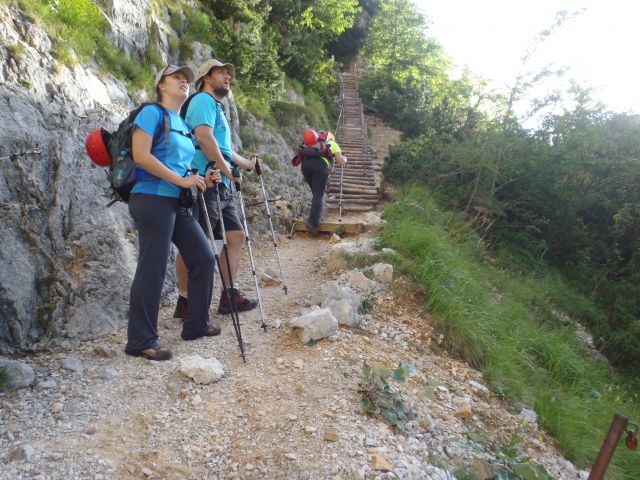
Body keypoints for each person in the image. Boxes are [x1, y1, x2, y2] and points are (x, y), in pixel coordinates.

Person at [124, 65, 222, 361]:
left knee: (204, 257)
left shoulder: (180, 123)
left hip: (177, 202)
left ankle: (196, 324)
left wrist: (203, 179)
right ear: (161, 86)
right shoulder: (151, 114)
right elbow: (141, 155)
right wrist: (181, 180)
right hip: (151, 198)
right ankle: (141, 340)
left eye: (187, 79)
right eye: (176, 77)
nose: (184, 81)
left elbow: (184, 168)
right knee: (152, 266)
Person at [173, 59, 258, 319]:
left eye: (228, 73)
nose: (228, 77)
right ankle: (186, 301)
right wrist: (228, 171)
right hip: (204, 181)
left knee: (235, 236)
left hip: (220, 182)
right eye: (222, 72)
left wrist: (247, 165)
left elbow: (224, 148)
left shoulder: (217, 107)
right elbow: (204, 139)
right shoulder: (202, 101)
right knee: (198, 242)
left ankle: (228, 296)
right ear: (206, 78)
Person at [299, 129, 347, 236]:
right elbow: (341, 162)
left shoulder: (313, 143)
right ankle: (312, 223)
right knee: (318, 195)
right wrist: (345, 158)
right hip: (319, 167)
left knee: (316, 194)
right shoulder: (332, 143)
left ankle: (313, 223)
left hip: (305, 165)